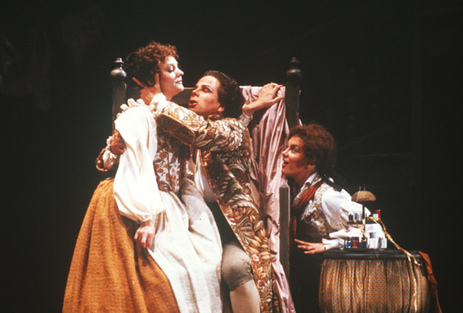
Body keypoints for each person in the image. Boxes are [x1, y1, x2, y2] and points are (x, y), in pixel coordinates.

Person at [64, 42, 223, 313]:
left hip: (173, 203)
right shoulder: (138, 114)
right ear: (153, 78)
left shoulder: (180, 117)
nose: (181, 73)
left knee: (204, 267)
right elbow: (133, 164)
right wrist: (146, 218)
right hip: (140, 199)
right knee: (153, 282)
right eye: (171, 69)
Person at [135, 70, 285, 313]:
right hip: (188, 224)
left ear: (221, 106)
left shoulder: (233, 130)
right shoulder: (181, 136)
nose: (194, 92)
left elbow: (203, 133)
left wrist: (159, 100)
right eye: (195, 87)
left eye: (205, 90)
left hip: (229, 228)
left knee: (234, 268)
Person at [281, 123, 384, 312]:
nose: (284, 154)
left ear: (310, 162)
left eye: (293, 150)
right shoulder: (302, 191)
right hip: (312, 286)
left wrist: (330, 245)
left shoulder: (327, 196)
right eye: (286, 148)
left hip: (332, 291)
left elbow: (376, 234)